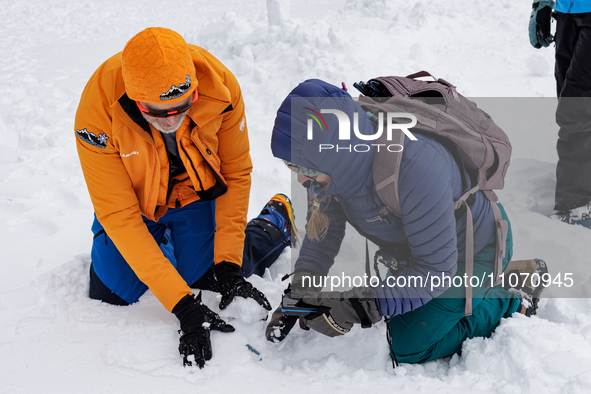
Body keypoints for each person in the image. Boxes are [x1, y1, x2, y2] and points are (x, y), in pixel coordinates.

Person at [264, 79, 546, 364]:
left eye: (304, 167)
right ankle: (490, 282)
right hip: (423, 251)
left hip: (472, 250)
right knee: (399, 308)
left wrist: (359, 308)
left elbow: (435, 270)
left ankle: (508, 301)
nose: (300, 177)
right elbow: (322, 234)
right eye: (292, 167)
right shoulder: (335, 173)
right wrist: (301, 290)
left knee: (408, 344)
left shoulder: (415, 165)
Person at [74, 27, 296, 368]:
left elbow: (236, 173)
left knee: (210, 277)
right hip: (134, 203)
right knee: (113, 292)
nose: (174, 119)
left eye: (183, 106)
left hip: (194, 195)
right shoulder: (97, 112)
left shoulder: (220, 87)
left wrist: (228, 266)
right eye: (161, 112)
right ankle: (162, 249)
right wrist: (183, 306)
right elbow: (118, 214)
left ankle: (272, 224)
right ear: (135, 101)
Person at [530, 0, 591, 226]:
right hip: (568, 13)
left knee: (575, 110)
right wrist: (543, 4)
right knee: (572, 104)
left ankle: (578, 204)